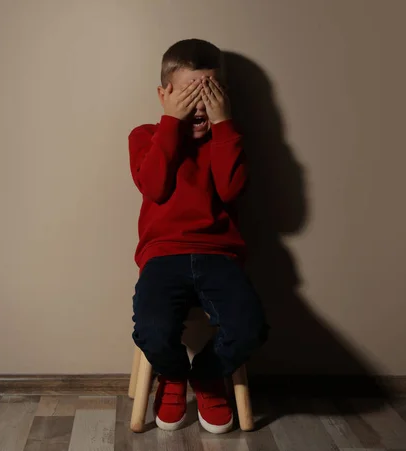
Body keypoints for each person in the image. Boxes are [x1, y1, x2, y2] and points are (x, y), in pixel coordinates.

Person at [128, 38, 269, 434]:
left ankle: (206, 377)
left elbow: (231, 190)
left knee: (250, 327)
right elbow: (154, 186)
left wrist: (225, 126)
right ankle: (172, 376)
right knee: (152, 331)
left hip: (219, 255)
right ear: (164, 95)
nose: (199, 105)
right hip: (162, 255)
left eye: (209, 92)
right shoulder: (144, 135)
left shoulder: (227, 138)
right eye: (189, 93)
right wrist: (172, 124)